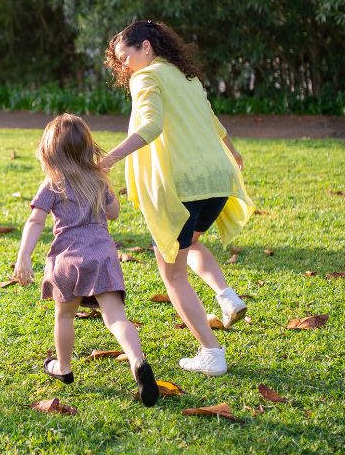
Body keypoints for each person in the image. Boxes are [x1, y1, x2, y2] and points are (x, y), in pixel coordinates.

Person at [98, 20, 256, 377]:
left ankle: (211, 353)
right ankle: (226, 296)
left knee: (173, 274)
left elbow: (150, 126)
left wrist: (109, 158)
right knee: (188, 244)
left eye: (126, 57)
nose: (124, 67)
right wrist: (233, 152)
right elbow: (213, 121)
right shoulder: (188, 78)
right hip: (217, 180)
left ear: (146, 48)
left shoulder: (146, 76)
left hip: (184, 186)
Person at [12, 114, 159, 407]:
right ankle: (138, 361)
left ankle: (63, 369)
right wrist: (105, 185)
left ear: (50, 151)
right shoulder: (97, 178)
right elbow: (114, 213)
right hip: (102, 254)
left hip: (67, 258)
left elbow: (35, 221)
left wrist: (24, 256)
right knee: (116, 318)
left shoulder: (52, 182)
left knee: (64, 316)